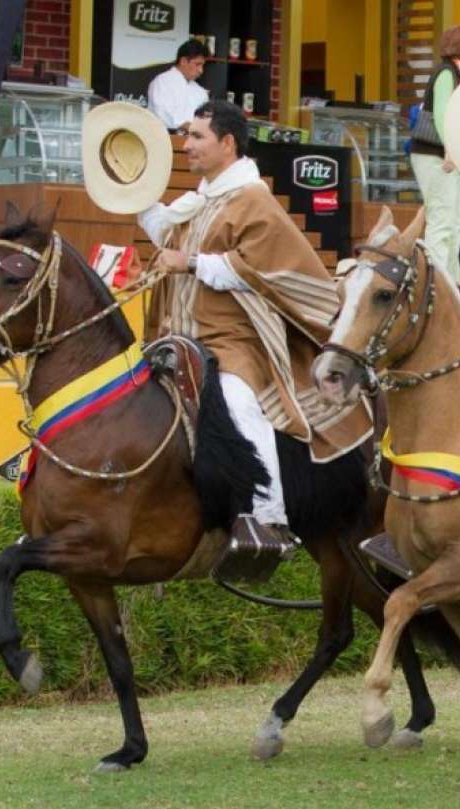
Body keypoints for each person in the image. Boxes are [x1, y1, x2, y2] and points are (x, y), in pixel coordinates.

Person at [138, 101, 372, 547]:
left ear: (227, 143)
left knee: (239, 402)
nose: (186, 146)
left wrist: (189, 262)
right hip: (178, 336)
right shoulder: (200, 199)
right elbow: (165, 232)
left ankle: (267, 518)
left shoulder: (253, 199)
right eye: (187, 135)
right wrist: (132, 193)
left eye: (197, 136)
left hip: (234, 342)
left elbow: (261, 268)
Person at [409, 25, 460, 289]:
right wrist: (450, 147)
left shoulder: (454, 74)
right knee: (442, 219)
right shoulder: (445, 73)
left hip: (447, 156)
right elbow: (442, 113)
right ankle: (437, 282)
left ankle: (451, 280)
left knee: (455, 219)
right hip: (435, 155)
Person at [147, 39, 211, 131]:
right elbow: (162, 113)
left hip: (194, 138)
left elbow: (206, 118)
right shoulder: (162, 82)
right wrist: (189, 126)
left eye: (202, 65)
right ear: (183, 61)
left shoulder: (200, 91)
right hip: (165, 136)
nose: (201, 70)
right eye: (197, 64)